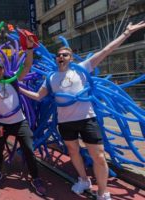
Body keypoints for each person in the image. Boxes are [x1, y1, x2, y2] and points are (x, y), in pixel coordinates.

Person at [19, 21, 145, 200]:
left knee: (99, 156)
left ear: (71, 58)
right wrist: (19, 88)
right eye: (58, 55)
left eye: (65, 54)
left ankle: (102, 192)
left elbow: (106, 50)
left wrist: (127, 33)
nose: (60, 57)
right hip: (65, 122)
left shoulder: (83, 68)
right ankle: (83, 180)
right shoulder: (51, 77)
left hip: (87, 120)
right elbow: (39, 96)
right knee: (73, 151)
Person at [0, 37, 47, 196]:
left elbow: (26, 66)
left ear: (3, 70)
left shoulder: (13, 80)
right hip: (1, 124)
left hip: (19, 122)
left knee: (29, 150)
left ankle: (35, 178)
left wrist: (29, 50)